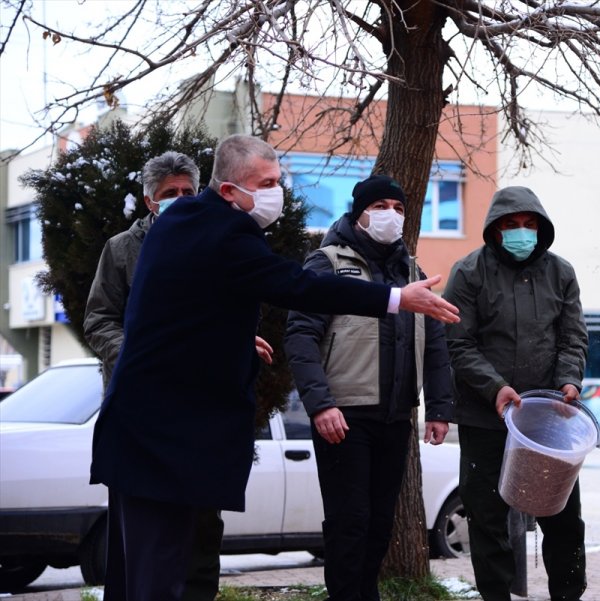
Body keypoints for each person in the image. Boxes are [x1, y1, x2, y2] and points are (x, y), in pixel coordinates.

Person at [88, 134, 459, 601]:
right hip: (166, 437)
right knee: (157, 579)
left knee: (136, 576)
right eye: (266, 184)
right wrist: (395, 298)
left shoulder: (181, 219)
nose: (277, 192)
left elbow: (180, 304)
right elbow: (299, 286)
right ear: (229, 190)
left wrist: (230, 335)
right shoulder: (229, 234)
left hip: (140, 430)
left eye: (277, 181)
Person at [84, 151, 248, 600]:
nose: (180, 198)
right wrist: (141, 357)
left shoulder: (218, 242)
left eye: (187, 191)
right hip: (141, 415)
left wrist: (237, 339)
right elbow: (98, 320)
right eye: (169, 193)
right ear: (149, 201)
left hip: (201, 411)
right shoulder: (122, 249)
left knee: (202, 529)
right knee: (143, 538)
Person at [284, 174, 453, 601]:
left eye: (398, 209)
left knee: (380, 524)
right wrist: (320, 404)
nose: (390, 215)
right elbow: (301, 336)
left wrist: (438, 407)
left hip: (395, 417)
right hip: (343, 418)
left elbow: (434, 341)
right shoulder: (327, 263)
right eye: (379, 207)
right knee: (350, 522)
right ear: (359, 212)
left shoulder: (411, 270)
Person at [443, 186, 589, 601]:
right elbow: (458, 342)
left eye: (529, 224)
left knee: (563, 519)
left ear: (541, 229)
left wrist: (569, 381)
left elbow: (573, 337)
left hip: (547, 421)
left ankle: (568, 595)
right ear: (495, 229)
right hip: (485, 416)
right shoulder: (469, 272)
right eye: (511, 225)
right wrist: (495, 387)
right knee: (487, 519)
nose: (521, 232)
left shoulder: (561, 273)